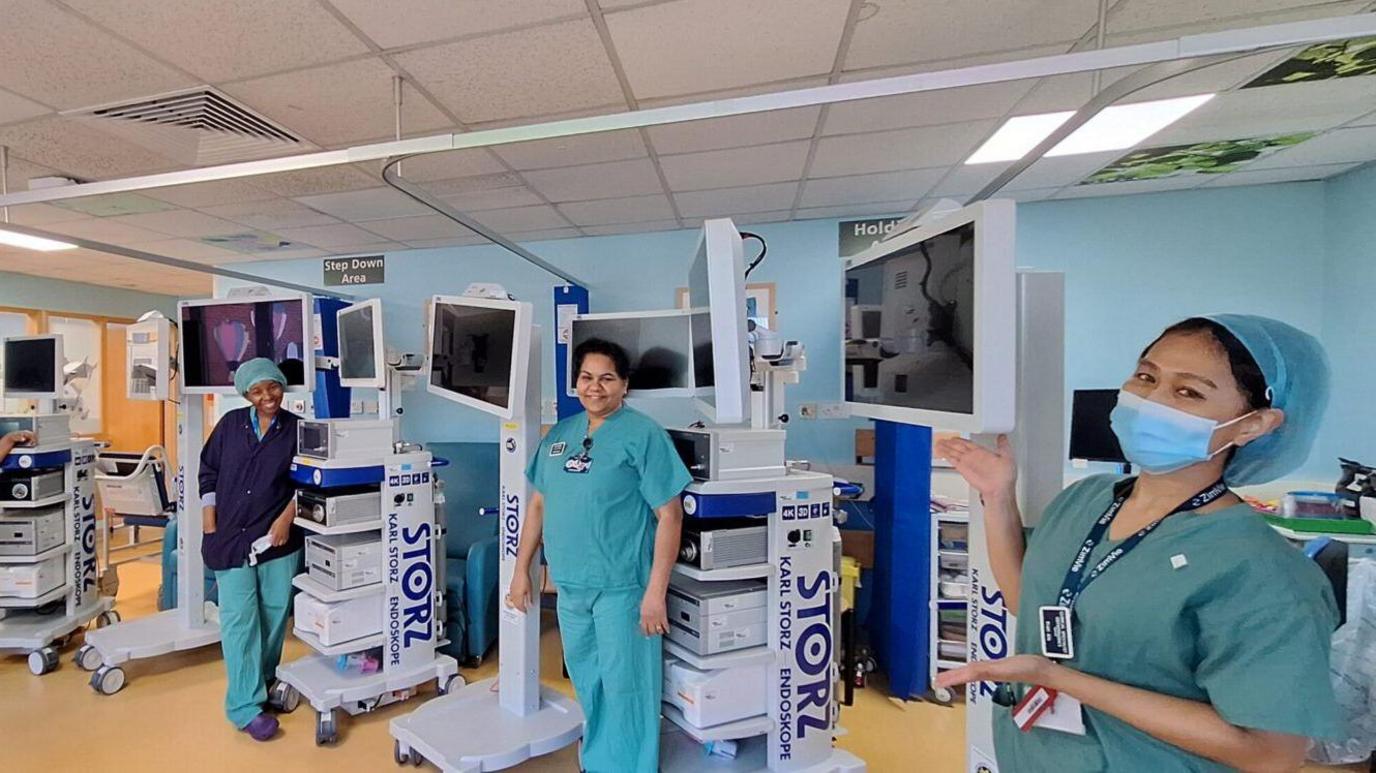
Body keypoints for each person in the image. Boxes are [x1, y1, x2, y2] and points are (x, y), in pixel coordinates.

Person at [935, 314, 1341, 772]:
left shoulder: (1262, 573)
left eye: (1188, 392)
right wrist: (997, 497)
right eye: (1146, 376)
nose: (1150, 400)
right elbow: (1023, 597)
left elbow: (1272, 753)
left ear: (1253, 425)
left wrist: (1058, 679)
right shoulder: (1086, 501)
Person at [506, 338, 692, 773]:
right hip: (570, 586)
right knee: (589, 680)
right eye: (587, 378)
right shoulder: (562, 435)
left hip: (622, 587)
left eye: (607, 378)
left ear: (624, 385)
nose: (595, 387)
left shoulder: (644, 435)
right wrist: (521, 572)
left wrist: (655, 594)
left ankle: (629, 766)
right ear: (575, 383)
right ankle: (599, 759)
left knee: (626, 686)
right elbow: (538, 504)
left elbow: (670, 515)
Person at [199, 358, 303, 741]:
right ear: (246, 395)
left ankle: (263, 683)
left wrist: (286, 519)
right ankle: (243, 707)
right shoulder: (229, 426)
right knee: (240, 621)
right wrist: (209, 521)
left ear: (281, 386)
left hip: (277, 538)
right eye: (257, 391)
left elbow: (309, 479)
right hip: (229, 537)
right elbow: (207, 470)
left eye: (272, 388)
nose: (267, 397)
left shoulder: (297, 430)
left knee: (274, 616)